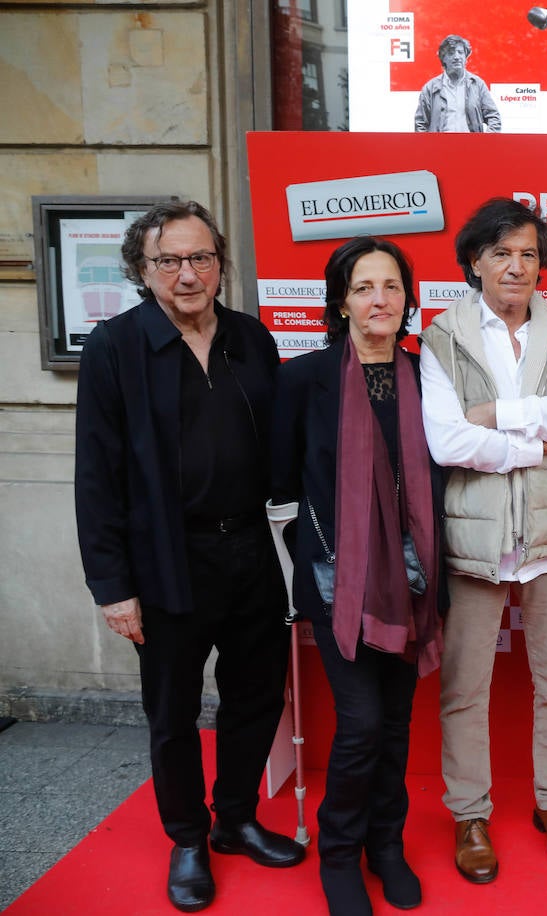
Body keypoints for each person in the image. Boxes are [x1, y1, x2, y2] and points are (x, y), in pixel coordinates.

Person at [74, 200, 305, 913]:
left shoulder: (251, 338)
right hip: (165, 559)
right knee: (173, 710)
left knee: (258, 692)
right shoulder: (116, 347)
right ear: (142, 271)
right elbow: (97, 477)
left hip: (251, 551)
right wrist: (113, 587)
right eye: (168, 260)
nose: (186, 273)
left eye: (200, 257)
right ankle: (186, 838)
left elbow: (283, 450)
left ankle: (234, 817)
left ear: (220, 262)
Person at [420, 197, 547, 884]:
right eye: (501, 252)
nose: (516, 265)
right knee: (465, 688)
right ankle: (470, 814)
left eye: (528, 253)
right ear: (474, 261)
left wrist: (502, 416)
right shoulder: (442, 336)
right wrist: (536, 443)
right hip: (475, 541)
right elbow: (448, 439)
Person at [271, 237, 445, 915]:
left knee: (397, 722)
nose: (380, 299)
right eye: (365, 286)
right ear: (340, 298)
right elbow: (281, 484)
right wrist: (332, 556)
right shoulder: (303, 379)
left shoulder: (429, 375)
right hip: (335, 577)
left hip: (415, 576)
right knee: (363, 720)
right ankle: (338, 854)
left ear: (407, 299)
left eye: (392, 286)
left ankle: (387, 846)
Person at [414, 34, 501, 133]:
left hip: (471, 146)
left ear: (465, 57)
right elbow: (420, 124)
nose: (456, 57)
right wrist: (429, 146)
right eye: (451, 53)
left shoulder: (477, 84)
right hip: (440, 147)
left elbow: (494, 117)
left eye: (460, 52)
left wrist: (486, 143)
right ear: (443, 58)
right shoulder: (430, 87)